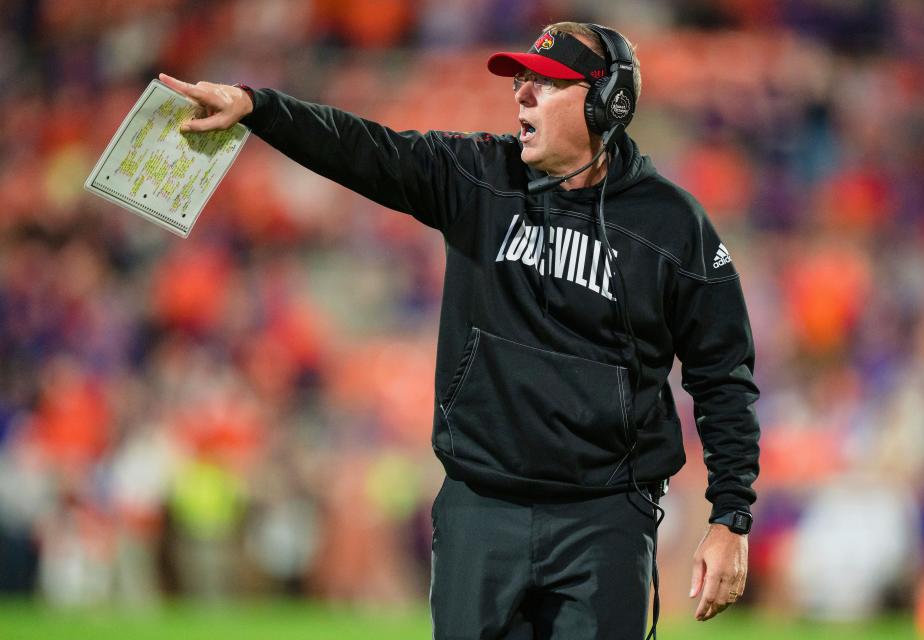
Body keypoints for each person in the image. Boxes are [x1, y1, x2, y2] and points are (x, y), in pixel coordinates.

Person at [159, 20, 760, 639]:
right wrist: (259, 108)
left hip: (605, 517)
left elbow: (724, 377)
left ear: (609, 102)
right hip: (482, 508)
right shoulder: (479, 176)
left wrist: (730, 516)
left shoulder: (672, 226)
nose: (522, 94)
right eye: (521, 80)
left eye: (546, 83)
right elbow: (367, 150)